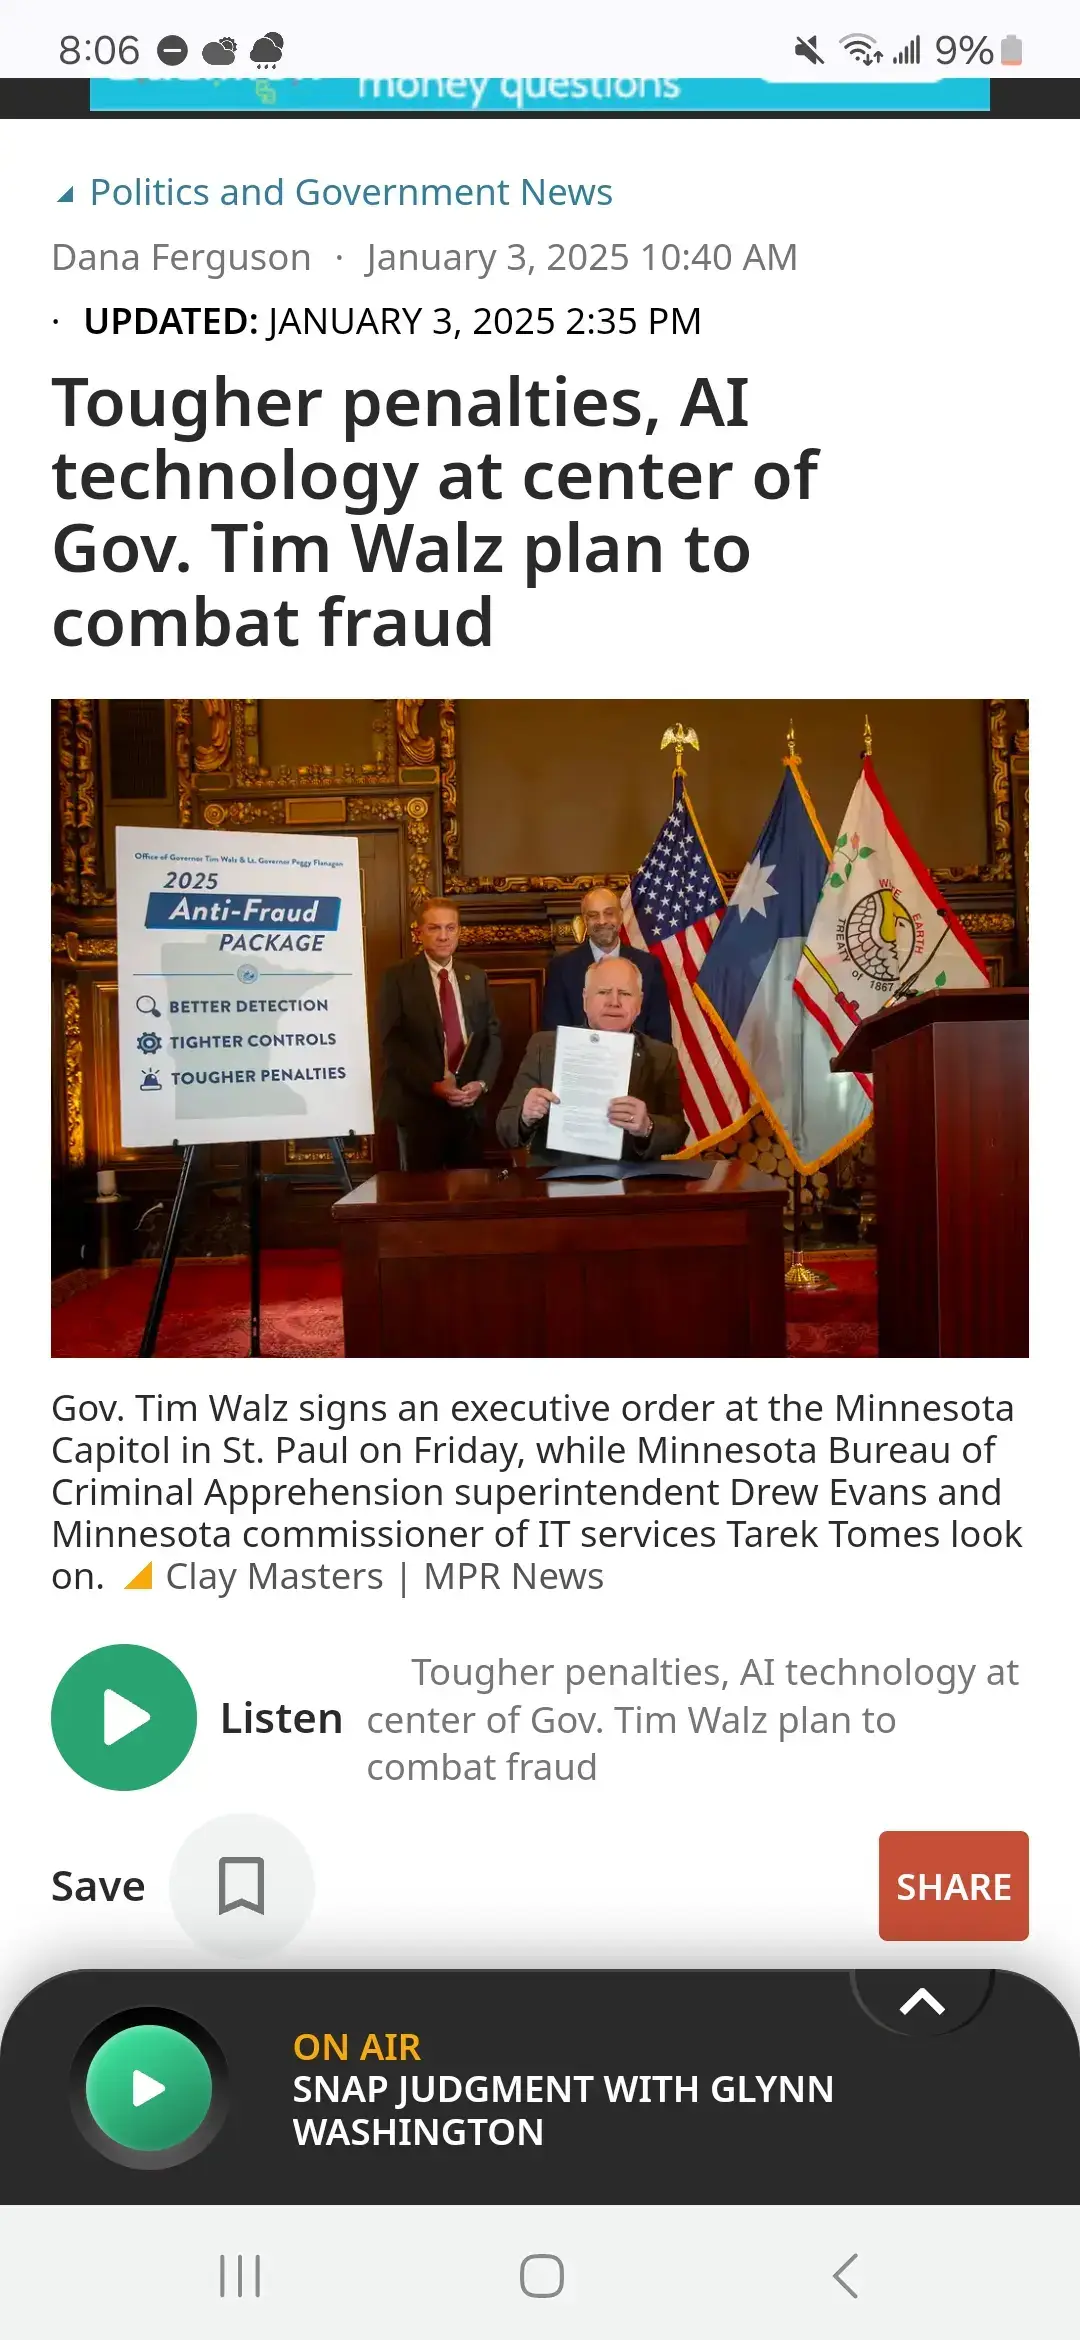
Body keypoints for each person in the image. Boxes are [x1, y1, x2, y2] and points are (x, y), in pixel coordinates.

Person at [497, 958, 687, 1166]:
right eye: (604, 992)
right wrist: (525, 1116)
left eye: (624, 993)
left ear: (639, 1003)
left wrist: (647, 1127)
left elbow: (677, 1134)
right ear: (585, 999)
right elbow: (504, 1130)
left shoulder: (661, 1055)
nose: (614, 1002)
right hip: (555, 1184)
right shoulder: (544, 1047)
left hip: (631, 1184)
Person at [377, 898, 502, 1171]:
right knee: (421, 1199)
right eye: (434, 928)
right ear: (419, 932)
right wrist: (434, 1085)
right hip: (420, 1109)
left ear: (459, 931)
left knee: (470, 1197)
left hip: (468, 1110)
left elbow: (492, 1036)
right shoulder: (397, 978)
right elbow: (393, 1044)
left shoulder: (475, 977)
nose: (444, 936)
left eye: (450, 928)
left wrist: (481, 1084)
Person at [540, 885, 672, 1043]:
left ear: (621, 916)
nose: (602, 921)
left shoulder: (649, 966)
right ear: (584, 920)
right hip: (582, 1062)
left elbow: (660, 1038)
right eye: (593, 915)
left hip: (638, 1064)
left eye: (609, 913)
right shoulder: (561, 968)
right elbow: (555, 1036)